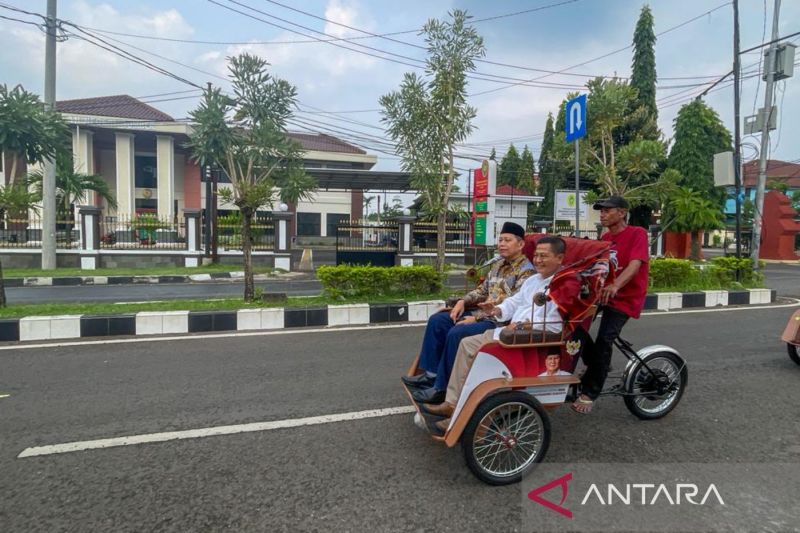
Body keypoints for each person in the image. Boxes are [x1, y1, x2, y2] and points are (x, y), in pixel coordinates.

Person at [423, 236, 567, 428]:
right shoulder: (531, 279)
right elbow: (514, 301)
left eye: (544, 256)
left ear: (560, 258)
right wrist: (497, 309)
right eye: (537, 255)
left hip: (521, 335)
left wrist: (519, 325)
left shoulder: (562, 284)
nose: (538, 260)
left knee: (462, 337)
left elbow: (555, 322)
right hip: (506, 328)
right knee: (460, 338)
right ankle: (449, 400)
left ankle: (463, 410)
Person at [404, 222, 534, 404]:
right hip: (480, 312)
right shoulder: (497, 265)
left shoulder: (527, 272)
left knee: (457, 333)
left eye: (507, 240)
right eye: (500, 239)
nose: (502, 244)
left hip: (499, 320)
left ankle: (442, 389)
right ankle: (432, 375)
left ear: (520, 245)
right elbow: (482, 291)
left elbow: (513, 306)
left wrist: (476, 317)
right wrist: (462, 302)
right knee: (439, 320)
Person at [572, 195, 649, 414]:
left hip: (626, 297)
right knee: (574, 324)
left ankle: (591, 390)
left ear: (622, 212)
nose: (602, 214)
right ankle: (594, 363)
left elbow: (635, 264)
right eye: (601, 211)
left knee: (605, 339)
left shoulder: (637, 234)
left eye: (607, 210)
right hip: (602, 294)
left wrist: (616, 285)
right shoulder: (605, 237)